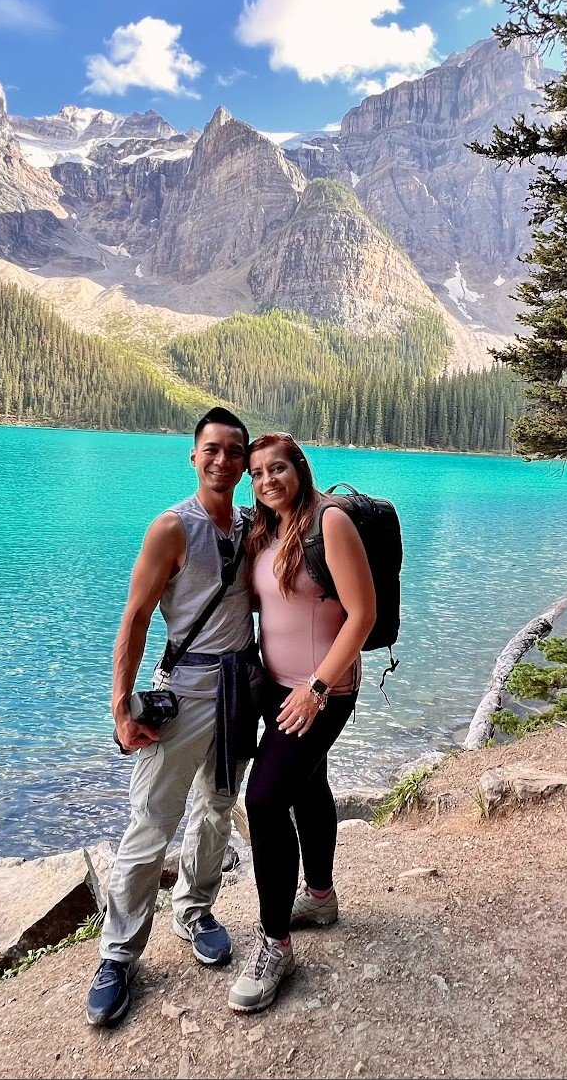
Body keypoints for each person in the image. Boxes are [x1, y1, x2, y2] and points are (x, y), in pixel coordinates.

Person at [87, 408, 260, 1028]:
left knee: (217, 808)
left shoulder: (251, 525)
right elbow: (134, 620)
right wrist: (120, 707)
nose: (222, 461)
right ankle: (117, 953)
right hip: (184, 691)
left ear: (244, 463)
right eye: (211, 449)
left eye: (234, 452)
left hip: (241, 687)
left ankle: (195, 909)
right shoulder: (171, 529)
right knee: (151, 823)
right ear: (194, 456)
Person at [228, 433, 375, 1015]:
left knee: (263, 801)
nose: (268, 480)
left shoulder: (329, 524)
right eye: (258, 473)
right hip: (276, 690)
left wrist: (316, 689)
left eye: (278, 468)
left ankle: (274, 945)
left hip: (322, 690)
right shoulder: (266, 531)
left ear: (300, 469)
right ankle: (319, 896)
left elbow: (363, 614)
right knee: (308, 786)